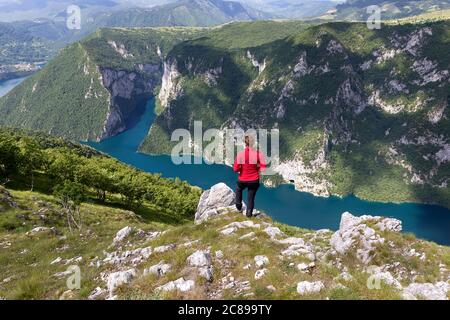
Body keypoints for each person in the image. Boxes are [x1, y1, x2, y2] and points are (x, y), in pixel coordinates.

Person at [233, 135, 266, 217]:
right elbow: (263, 167)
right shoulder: (258, 154)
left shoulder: (240, 154)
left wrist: (241, 169)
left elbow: (235, 169)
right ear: (254, 143)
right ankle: (249, 214)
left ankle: (238, 205)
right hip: (254, 180)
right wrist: (257, 169)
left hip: (242, 179)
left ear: (245, 143)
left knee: (239, 188)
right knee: (251, 197)